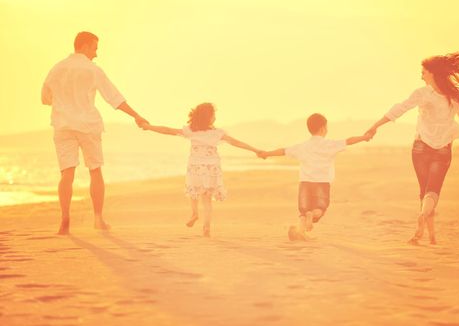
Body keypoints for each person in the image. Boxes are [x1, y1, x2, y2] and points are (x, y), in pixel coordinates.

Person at [365, 52, 459, 245]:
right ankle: (429, 232)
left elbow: (399, 108)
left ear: (433, 73)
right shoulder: (455, 97)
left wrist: (375, 126)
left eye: (424, 72)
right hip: (442, 149)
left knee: (423, 190)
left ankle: (426, 234)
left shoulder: (423, 93)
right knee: (432, 191)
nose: (421, 76)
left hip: (420, 148)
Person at [41, 31, 149, 235]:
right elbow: (114, 98)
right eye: (95, 48)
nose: (97, 54)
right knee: (95, 170)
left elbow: (45, 98)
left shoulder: (56, 68)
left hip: (62, 125)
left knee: (67, 173)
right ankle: (98, 219)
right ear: (83, 46)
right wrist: (136, 115)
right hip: (88, 125)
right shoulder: (92, 70)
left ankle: (65, 218)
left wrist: (65, 103)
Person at [141, 102, 261, 237]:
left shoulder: (191, 131)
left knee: (193, 192)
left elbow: (167, 130)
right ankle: (206, 227)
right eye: (213, 115)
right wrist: (256, 150)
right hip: (211, 168)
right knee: (207, 199)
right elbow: (236, 143)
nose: (215, 117)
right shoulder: (217, 133)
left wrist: (148, 127)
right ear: (208, 117)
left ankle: (194, 214)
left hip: (196, 166)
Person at [258, 113, 373, 241]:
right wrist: (364, 137)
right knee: (320, 209)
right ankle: (310, 217)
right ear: (323, 128)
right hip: (322, 183)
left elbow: (283, 151)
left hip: (305, 183)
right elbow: (349, 141)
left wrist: (267, 153)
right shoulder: (330, 144)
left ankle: (300, 231)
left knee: (303, 211)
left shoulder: (302, 146)